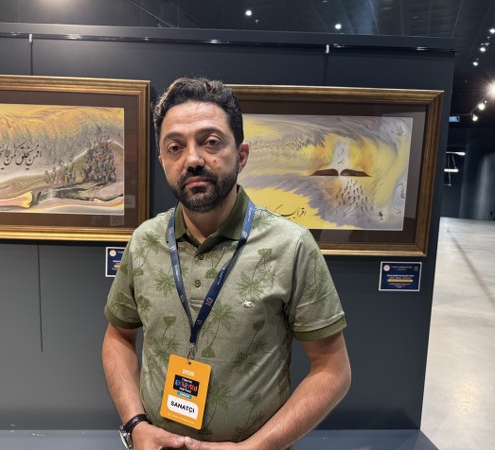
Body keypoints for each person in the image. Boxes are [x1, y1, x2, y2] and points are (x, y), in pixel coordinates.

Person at [102, 77, 351, 450]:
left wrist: (255, 448)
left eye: (211, 142)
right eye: (175, 147)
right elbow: (118, 337)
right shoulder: (144, 242)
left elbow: (333, 370)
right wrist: (135, 425)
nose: (192, 160)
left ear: (242, 154)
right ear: (163, 161)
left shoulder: (291, 246)